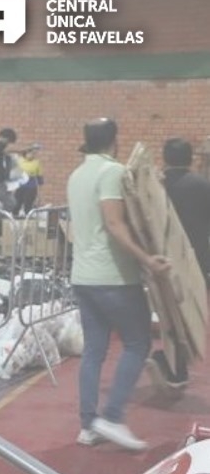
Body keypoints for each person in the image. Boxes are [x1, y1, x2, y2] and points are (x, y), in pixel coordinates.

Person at [67, 118, 170, 451]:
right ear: (114, 140)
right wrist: (147, 259)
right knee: (138, 343)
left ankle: (88, 426)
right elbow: (115, 223)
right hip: (112, 277)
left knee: (94, 351)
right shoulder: (111, 172)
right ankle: (112, 416)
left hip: (83, 276)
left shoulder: (77, 175)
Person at [145, 137, 210, 394]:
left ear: (165, 157)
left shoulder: (155, 186)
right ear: (191, 158)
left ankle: (174, 366)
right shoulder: (202, 186)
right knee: (187, 314)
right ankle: (176, 366)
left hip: (160, 260)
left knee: (168, 313)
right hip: (196, 261)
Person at [13, 143, 43, 218]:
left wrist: (40, 192)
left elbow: (39, 177)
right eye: (30, 154)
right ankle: (14, 217)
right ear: (25, 154)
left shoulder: (36, 162)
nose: (32, 155)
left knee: (28, 204)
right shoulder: (20, 161)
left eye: (33, 154)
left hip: (31, 186)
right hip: (20, 186)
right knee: (17, 204)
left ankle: (28, 219)